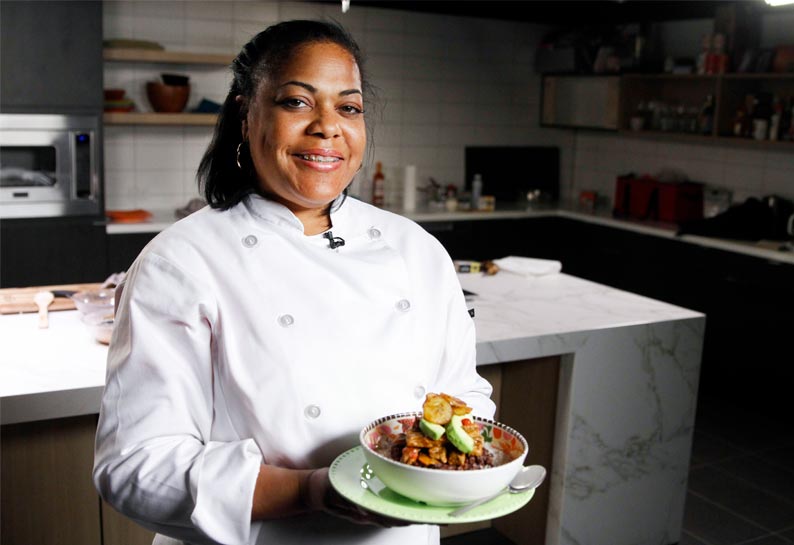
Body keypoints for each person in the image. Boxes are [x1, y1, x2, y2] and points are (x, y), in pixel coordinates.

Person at [93, 19, 495, 545]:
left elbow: (462, 398)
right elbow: (135, 466)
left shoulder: (416, 250)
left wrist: (465, 459)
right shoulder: (182, 261)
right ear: (245, 114)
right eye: (297, 102)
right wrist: (308, 491)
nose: (328, 126)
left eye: (348, 107)